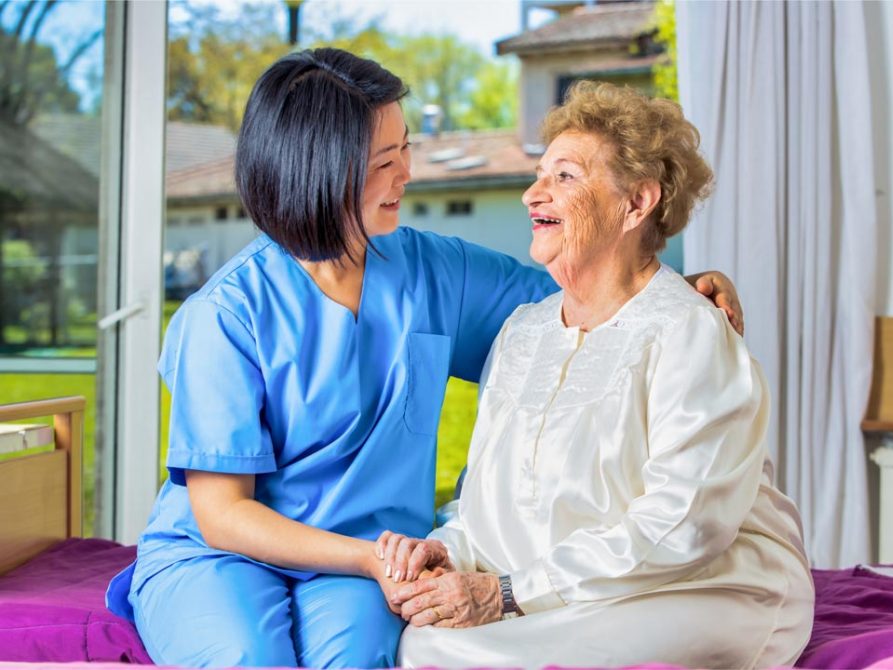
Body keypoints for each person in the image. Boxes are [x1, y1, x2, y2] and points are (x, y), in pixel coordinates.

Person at [104, 50, 743, 669]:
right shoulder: (227, 315)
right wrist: (367, 559)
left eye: (405, 147)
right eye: (386, 160)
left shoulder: (437, 271)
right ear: (323, 172)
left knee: (359, 661)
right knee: (250, 659)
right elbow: (223, 514)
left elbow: (593, 292)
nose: (408, 172)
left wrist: (683, 289)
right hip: (226, 557)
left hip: (372, 560)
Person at [389, 82, 814, 669]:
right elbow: (486, 496)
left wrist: (507, 594)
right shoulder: (523, 331)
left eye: (565, 176)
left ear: (636, 204)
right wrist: (450, 553)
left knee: (454, 654)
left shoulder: (690, 331)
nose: (533, 193)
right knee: (425, 640)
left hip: (697, 584)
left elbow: (683, 527)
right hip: (549, 588)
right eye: (539, 174)